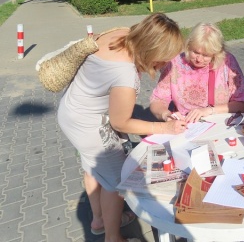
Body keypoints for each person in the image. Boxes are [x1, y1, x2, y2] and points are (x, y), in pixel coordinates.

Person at [57, 13, 186, 242]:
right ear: (152, 49)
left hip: (72, 111)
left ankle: (99, 221)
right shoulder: (125, 74)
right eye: (164, 58)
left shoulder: (122, 34)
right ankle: (113, 236)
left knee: (94, 169)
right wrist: (165, 128)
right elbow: (121, 122)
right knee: (116, 182)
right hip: (88, 124)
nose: (165, 64)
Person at [150, 22, 244, 123]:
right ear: (189, 46)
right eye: (195, 52)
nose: (199, 59)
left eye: (206, 55)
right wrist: (166, 115)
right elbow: (158, 100)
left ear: (216, 54)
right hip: (185, 125)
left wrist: (209, 111)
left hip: (220, 123)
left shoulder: (227, 62)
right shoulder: (175, 63)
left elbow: (242, 104)